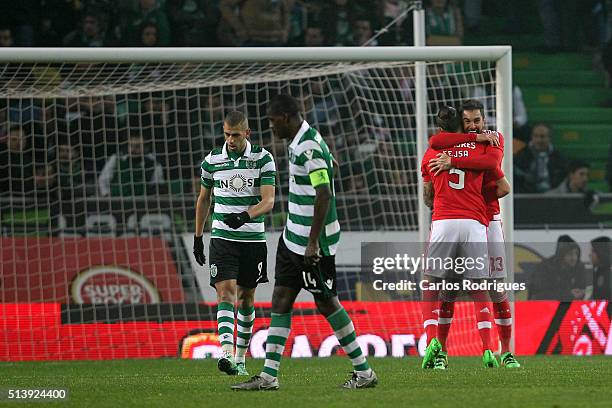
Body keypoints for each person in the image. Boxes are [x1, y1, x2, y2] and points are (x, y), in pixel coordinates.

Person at [231, 94, 377, 391]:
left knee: (326, 303)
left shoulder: (308, 146)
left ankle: (364, 372)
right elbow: (321, 169)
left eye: (272, 122)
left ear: (285, 117)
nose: (270, 128)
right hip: (291, 238)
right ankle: (269, 376)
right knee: (281, 299)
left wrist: (312, 243)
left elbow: (323, 193)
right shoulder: (304, 140)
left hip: (313, 244)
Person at [427, 99, 520, 368]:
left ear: (484, 119)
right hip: (467, 221)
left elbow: (496, 170)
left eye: (477, 120)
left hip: (488, 220)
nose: (473, 125)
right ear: (460, 122)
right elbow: (435, 143)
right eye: (467, 121)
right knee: (450, 288)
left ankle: (507, 351)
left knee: (496, 288)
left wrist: (456, 162)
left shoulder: (493, 139)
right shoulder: (461, 141)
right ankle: (441, 351)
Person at [193, 111, 276, 377]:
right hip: (222, 238)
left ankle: (241, 358)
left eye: (235, 135)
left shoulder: (263, 159)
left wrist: (245, 215)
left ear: (247, 134)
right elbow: (204, 199)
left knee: (247, 299)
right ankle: (227, 353)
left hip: (252, 239)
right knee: (225, 294)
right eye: (227, 134)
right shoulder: (212, 160)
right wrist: (198, 237)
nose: (230, 139)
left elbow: (269, 200)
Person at [420, 105, 499, 370]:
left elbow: (428, 196)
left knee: (433, 282)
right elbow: (499, 180)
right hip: (474, 222)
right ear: (462, 124)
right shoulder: (481, 146)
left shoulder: (433, 150)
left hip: (444, 220)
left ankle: (433, 342)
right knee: (479, 286)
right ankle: (488, 348)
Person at [97, 130, 164, 197]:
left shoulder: (153, 164)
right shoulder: (116, 159)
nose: (132, 150)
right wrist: (107, 196)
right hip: (116, 201)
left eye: (137, 146)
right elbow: (103, 181)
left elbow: (157, 186)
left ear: (146, 148)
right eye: (131, 146)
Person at [529, 235, 588, 301]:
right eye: (570, 254)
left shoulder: (579, 267)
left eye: (576, 254)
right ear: (561, 255)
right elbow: (539, 295)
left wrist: (581, 293)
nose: (574, 258)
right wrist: (568, 295)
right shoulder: (545, 267)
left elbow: (581, 289)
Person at [514, 123, 566, 193]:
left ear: (549, 138)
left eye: (542, 137)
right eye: (536, 136)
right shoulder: (522, 155)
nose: (539, 140)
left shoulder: (558, 157)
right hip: (527, 195)